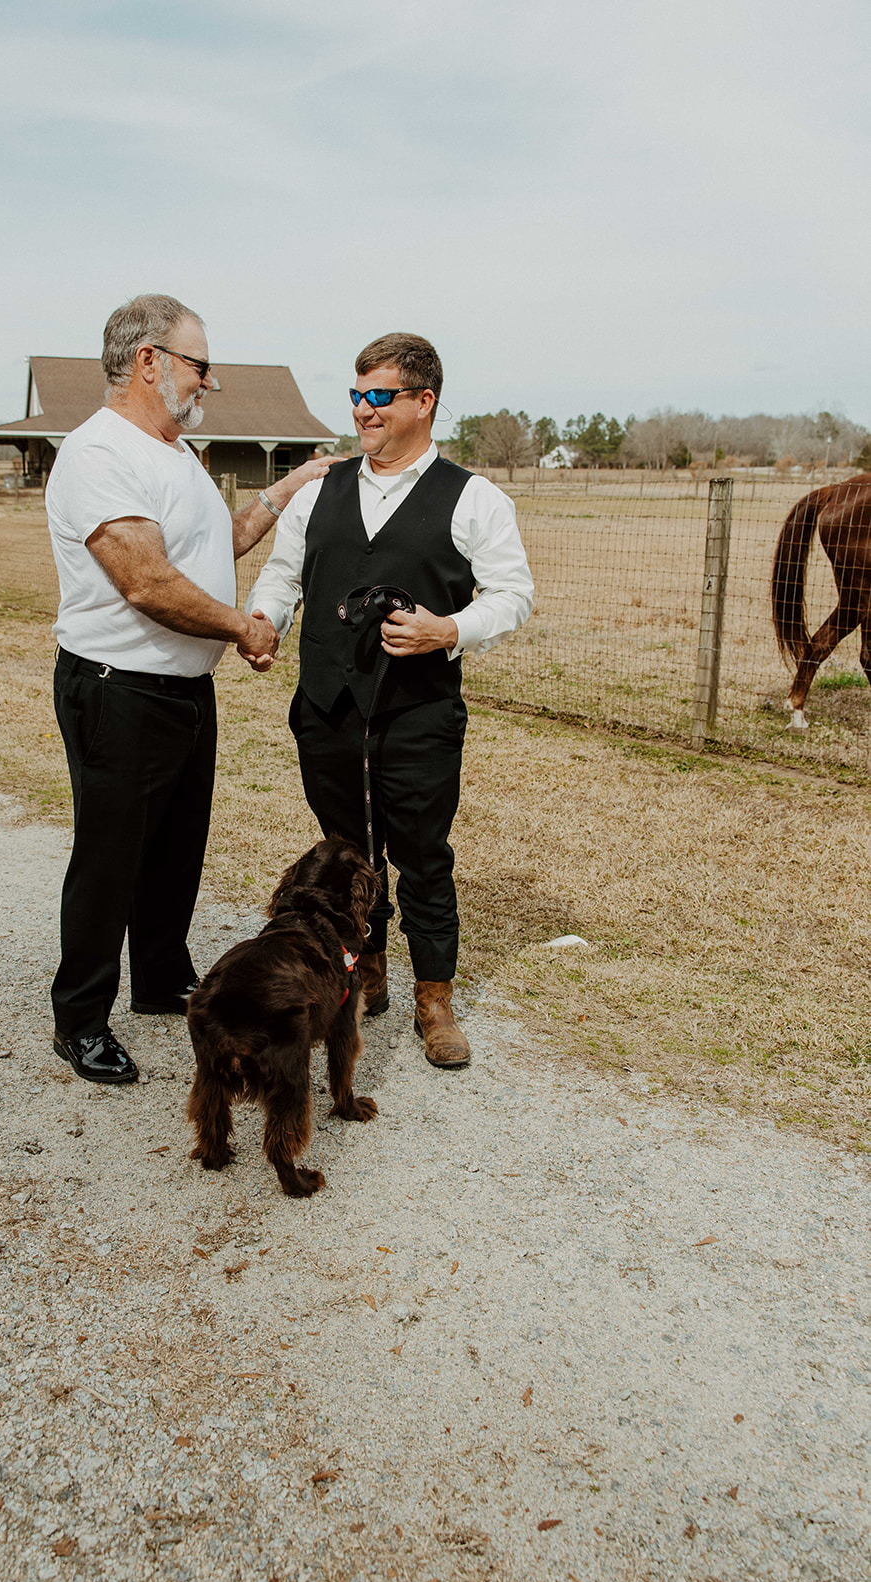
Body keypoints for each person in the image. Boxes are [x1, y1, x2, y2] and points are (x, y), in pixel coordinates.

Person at [45, 293, 329, 1085]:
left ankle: (161, 979)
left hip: (179, 687)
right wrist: (242, 627)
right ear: (149, 362)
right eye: (199, 365)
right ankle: (80, 1018)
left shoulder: (175, 453)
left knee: (174, 848)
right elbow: (145, 581)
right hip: (118, 689)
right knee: (111, 856)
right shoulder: (100, 454)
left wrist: (291, 485)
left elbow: (220, 542)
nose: (209, 383)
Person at [246, 332, 534, 1069]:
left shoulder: (474, 497)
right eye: (356, 394)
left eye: (378, 396)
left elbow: (513, 596)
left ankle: (432, 997)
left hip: (418, 710)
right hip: (328, 703)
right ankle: (363, 971)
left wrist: (450, 629)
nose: (363, 410)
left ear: (422, 401)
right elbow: (284, 575)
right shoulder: (319, 490)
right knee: (346, 851)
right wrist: (263, 624)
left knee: (421, 853)